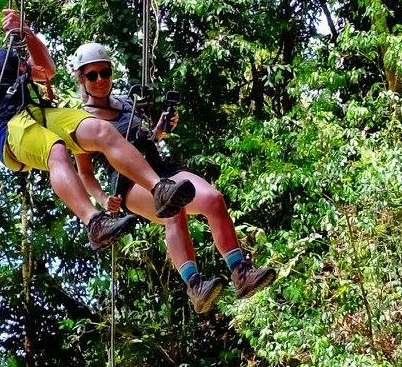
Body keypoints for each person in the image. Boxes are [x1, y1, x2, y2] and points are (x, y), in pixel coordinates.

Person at [0, 0, 198, 248]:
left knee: (100, 129)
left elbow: (46, 71)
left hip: (37, 112)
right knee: (55, 150)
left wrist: (26, 32)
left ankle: (159, 188)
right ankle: (94, 222)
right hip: (7, 132)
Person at [69, 41, 277, 314]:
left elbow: (144, 141)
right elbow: (85, 173)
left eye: (105, 72)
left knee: (213, 199)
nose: (100, 80)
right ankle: (195, 285)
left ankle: (241, 272)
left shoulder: (127, 103)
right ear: (81, 79)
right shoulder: (81, 121)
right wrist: (103, 199)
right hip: (129, 184)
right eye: (92, 75)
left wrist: (159, 130)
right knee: (172, 208)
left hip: (161, 169)